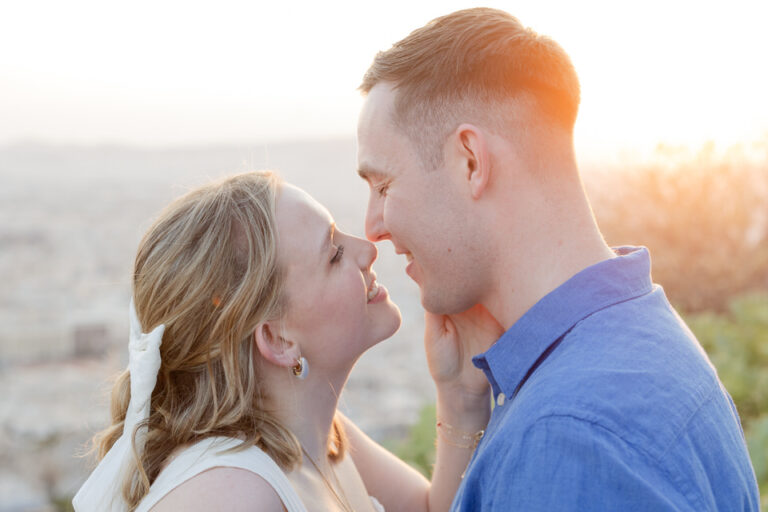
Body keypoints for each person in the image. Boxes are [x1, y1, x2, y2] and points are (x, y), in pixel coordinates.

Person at [356, 7, 760, 511]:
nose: (373, 226)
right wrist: (462, 404)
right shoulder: (637, 335)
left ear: (470, 161)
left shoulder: (566, 439)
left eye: (384, 185)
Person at [73, 171, 503, 511]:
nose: (367, 250)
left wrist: (459, 392)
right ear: (278, 339)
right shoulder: (231, 493)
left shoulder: (318, 436)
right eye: (333, 254)